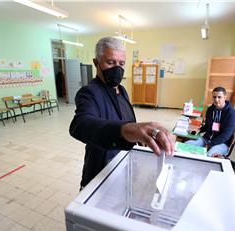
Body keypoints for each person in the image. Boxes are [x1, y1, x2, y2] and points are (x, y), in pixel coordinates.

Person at [69, 37, 174, 188]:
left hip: (124, 165)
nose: (117, 68)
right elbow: (81, 124)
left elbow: (128, 121)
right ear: (96, 62)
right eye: (110, 62)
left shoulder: (122, 91)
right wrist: (126, 130)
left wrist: (140, 137)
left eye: (121, 63)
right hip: (101, 171)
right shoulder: (89, 92)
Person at [186, 87, 235, 157]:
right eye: (214, 97)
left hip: (222, 143)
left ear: (225, 97)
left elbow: (226, 135)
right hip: (206, 139)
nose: (216, 100)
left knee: (209, 154)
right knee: (187, 144)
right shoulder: (210, 109)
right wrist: (199, 129)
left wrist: (210, 144)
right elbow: (208, 125)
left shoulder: (232, 113)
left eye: (219, 97)